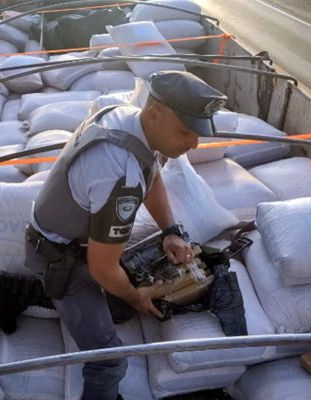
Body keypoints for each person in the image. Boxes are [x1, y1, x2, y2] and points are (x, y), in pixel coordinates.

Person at [24, 70, 228, 400]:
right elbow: (102, 269)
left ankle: (27, 291)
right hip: (59, 258)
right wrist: (136, 295)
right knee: (110, 362)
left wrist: (170, 232)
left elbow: (154, 174)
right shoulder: (119, 171)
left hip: (77, 244)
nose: (194, 144)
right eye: (186, 132)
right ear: (155, 113)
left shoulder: (131, 122)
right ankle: (31, 291)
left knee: (121, 305)